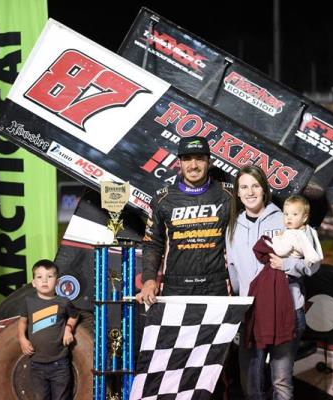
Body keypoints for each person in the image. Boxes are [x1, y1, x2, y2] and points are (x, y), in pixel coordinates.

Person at [226, 165, 321, 400]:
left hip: (286, 309)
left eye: (255, 186)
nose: (250, 192)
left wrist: (286, 265)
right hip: (252, 312)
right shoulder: (234, 226)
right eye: (244, 187)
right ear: (238, 193)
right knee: (251, 384)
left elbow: (314, 264)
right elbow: (233, 272)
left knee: (281, 380)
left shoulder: (286, 218)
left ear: (264, 189)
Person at [136, 136, 233, 302]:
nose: (193, 165)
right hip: (175, 287)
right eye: (187, 159)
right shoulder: (162, 198)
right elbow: (152, 243)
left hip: (217, 286)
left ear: (209, 162)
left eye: (200, 159)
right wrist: (149, 279)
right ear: (179, 163)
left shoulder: (229, 195)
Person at [18, 259, 79, 400]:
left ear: (57, 282)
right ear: (33, 283)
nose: (44, 281)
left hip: (60, 364)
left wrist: (68, 329)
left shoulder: (63, 302)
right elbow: (22, 322)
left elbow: (74, 316)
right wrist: (22, 338)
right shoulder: (28, 302)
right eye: (39, 277)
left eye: (49, 277)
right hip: (36, 363)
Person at [266, 195, 323, 266]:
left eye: (294, 214)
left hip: (285, 266)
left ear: (304, 218)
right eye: (286, 214)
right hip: (298, 265)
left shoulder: (292, 234)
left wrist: (276, 238)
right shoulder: (308, 231)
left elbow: (280, 251)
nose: (289, 218)